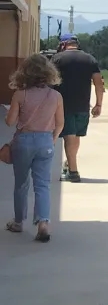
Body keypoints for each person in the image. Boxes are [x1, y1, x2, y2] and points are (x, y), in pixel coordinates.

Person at [5, 54, 65, 242]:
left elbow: (10, 122)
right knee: (42, 184)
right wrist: (52, 139)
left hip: (23, 141)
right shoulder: (56, 96)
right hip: (45, 141)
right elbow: (60, 123)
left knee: (21, 183)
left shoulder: (20, 94)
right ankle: (43, 224)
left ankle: (18, 222)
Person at [51, 34, 103, 183]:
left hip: (63, 104)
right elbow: (99, 83)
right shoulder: (90, 59)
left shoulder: (57, 59)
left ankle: (73, 172)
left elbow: (49, 81)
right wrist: (99, 103)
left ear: (64, 44)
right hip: (83, 104)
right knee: (76, 136)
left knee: (69, 136)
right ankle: (69, 164)